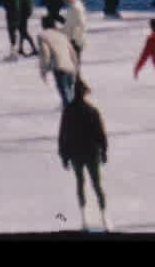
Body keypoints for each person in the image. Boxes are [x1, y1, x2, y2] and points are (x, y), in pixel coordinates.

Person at [59, 79, 110, 231]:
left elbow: (63, 135)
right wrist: (104, 151)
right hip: (91, 152)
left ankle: (84, 219)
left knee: (80, 183)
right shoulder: (92, 111)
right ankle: (104, 217)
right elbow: (101, 133)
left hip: (76, 153)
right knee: (97, 184)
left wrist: (64, 155)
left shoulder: (68, 112)